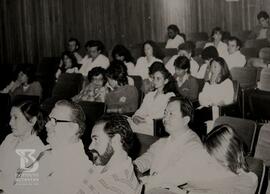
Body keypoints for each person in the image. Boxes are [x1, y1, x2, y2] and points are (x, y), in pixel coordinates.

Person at [134, 97, 233, 193]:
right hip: (153, 187)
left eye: (171, 114)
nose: (165, 118)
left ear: (185, 120)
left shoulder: (194, 146)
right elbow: (148, 157)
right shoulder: (164, 141)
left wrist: (144, 181)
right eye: (165, 113)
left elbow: (174, 176)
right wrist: (132, 168)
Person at [77, 114, 141, 194]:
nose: (90, 147)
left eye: (96, 139)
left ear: (116, 140)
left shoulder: (120, 187)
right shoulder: (102, 163)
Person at [40, 100, 91, 194]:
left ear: (73, 128)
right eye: (48, 120)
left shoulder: (79, 169)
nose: (47, 125)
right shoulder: (45, 150)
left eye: (54, 121)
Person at [0, 101, 46, 192]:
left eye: (16, 118)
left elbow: (18, 187)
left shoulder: (38, 150)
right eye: (11, 117)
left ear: (32, 121)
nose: (10, 123)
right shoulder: (10, 138)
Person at [199, 124, 258, 194]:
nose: (207, 161)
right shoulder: (218, 171)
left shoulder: (247, 181)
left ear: (225, 158)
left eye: (210, 157)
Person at [130, 63, 177, 135]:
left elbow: (163, 115)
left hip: (155, 128)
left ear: (166, 81)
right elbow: (141, 110)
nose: (155, 81)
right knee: (125, 122)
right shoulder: (149, 95)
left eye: (158, 78)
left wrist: (144, 120)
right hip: (142, 124)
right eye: (154, 78)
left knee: (128, 129)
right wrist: (135, 116)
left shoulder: (169, 96)